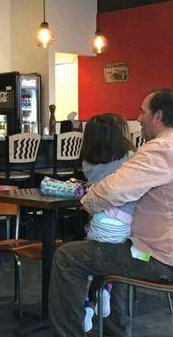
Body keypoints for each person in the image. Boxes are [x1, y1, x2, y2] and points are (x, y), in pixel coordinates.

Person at [49, 89, 173, 337]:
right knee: (122, 249)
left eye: (143, 111)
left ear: (157, 116)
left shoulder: (160, 149)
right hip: (156, 251)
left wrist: (87, 200)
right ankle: (116, 331)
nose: (138, 118)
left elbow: (114, 190)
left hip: (159, 258)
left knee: (67, 257)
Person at [79, 113, 136, 332]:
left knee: (91, 258)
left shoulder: (88, 163)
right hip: (125, 225)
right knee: (115, 257)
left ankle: (89, 302)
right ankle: (106, 290)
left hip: (98, 221)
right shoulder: (130, 158)